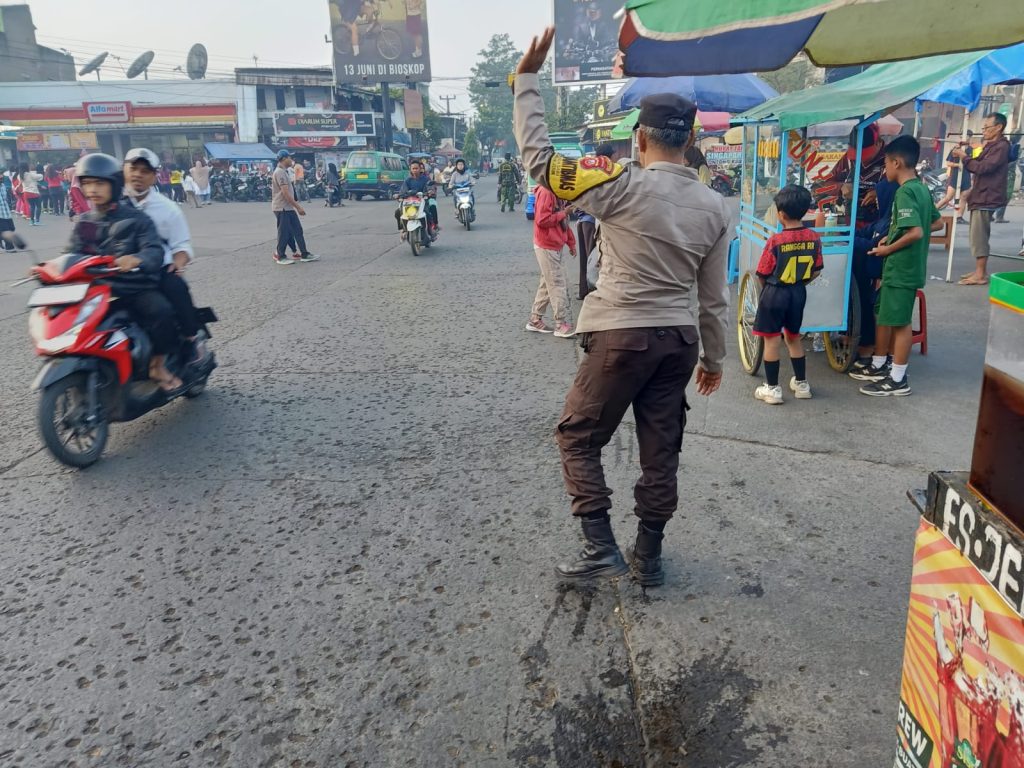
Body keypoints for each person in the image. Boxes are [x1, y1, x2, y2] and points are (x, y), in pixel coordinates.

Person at [514, 28, 730, 586]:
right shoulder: (714, 206)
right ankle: (648, 558)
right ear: (687, 142)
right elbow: (713, 296)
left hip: (620, 336)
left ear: (639, 139)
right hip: (679, 342)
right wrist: (714, 360)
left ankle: (599, 547)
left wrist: (527, 80)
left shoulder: (617, 185)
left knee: (578, 437)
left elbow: (539, 161)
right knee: (661, 450)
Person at [66, 153, 180, 390]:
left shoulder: (138, 219)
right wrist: (46, 269)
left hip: (133, 287)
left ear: (115, 184)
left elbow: (154, 251)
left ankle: (157, 364)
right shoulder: (84, 222)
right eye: (87, 184)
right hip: (96, 289)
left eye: (99, 183)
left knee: (161, 312)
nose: (92, 189)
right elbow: (70, 254)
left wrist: (136, 258)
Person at [856, 136, 943, 397]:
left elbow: (915, 231)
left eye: (886, 163)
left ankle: (897, 379)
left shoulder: (905, 192)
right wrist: (892, 234)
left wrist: (887, 248)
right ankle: (882, 365)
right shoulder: (921, 189)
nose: (885, 169)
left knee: (900, 324)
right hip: (906, 265)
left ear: (896, 162)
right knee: (888, 315)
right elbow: (935, 223)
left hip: (901, 266)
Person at [123, 148, 209, 367]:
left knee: (175, 289)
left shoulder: (168, 209)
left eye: (145, 171)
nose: (138, 175)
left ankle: (191, 338)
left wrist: (178, 264)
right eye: (133, 168)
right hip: (117, 273)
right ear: (124, 170)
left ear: (154, 176)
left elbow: (182, 245)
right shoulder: (113, 204)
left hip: (156, 270)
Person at [751, 185, 823, 404]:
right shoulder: (813, 237)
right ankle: (802, 384)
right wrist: (800, 283)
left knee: (772, 340)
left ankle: (772, 389)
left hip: (775, 292)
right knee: (793, 337)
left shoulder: (776, 241)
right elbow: (817, 269)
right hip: (797, 293)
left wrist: (768, 289)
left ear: (781, 214)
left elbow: (762, 272)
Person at [954, 112, 1011, 286]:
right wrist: (968, 149)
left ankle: (980, 274)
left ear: (999, 127)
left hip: (987, 196)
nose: (984, 130)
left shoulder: (1001, 147)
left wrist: (964, 157)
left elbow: (983, 167)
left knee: (979, 236)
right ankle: (980, 270)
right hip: (981, 195)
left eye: (987, 127)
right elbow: (978, 160)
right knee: (976, 235)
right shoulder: (992, 145)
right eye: (983, 127)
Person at [527, 184, 577, 338]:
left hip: (554, 244)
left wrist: (571, 242)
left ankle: (535, 319)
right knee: (557, 283)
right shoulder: (547, 192)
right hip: (547, 245)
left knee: (547, 282)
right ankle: (560, 324)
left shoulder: (556, 192)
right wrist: (564, 213)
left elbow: (564, 224)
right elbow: (542, 220)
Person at [272, 150, 319, 265]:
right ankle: (281, 256)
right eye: (289, 157)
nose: (291, 160)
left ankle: (305, 254)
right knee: (284, 233)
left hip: (287, 207)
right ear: (283, 159)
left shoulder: (284, 171)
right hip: (282, 208)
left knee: (297, 230)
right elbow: (285, 193)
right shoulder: (279, 172)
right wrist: (298, 207)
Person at [393, 160, 438, 234]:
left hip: (422, 201)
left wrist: (430, 192)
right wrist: (398, 195)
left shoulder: (425, 179)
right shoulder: (408, 180)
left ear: (420, 169)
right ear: (410, 169)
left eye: (416, 168)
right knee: (398, 212)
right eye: (413, 168)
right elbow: (403, 190)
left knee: (427, 212)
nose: (415, 170)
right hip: (409, 203)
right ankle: (402, 229)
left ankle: (431, 229)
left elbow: (430, 187)